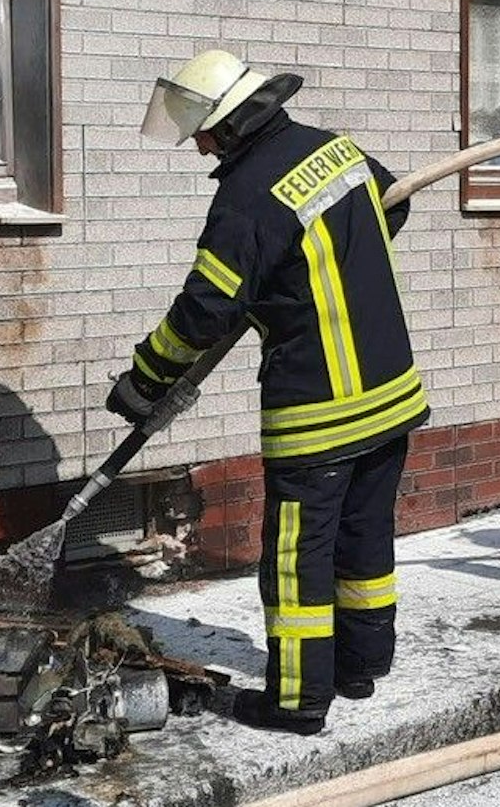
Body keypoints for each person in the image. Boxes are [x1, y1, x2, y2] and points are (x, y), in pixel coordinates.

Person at [111, 48, 428, 736]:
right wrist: (301, 277)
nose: (196, 143)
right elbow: (390, 207)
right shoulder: (334, 150)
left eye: (201, 129)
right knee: (364, 537)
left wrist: (144, 379)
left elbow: (203, 310)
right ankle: (359, 666)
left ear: (229, 126)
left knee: (296, 563)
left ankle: (295, 699)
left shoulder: (245, 197)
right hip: (392, 392)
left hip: (319, 411)